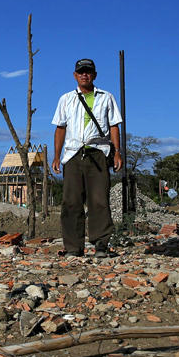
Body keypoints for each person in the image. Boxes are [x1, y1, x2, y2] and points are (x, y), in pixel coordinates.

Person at [51, 58, 123, 257]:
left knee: (99, 200)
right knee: (71, 202)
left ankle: (101, 244)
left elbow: (114, 125)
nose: (85, 75)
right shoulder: (65, 99)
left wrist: (117, 152)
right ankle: (73, 248)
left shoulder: (106, 97)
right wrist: (56, 156)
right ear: (75, 75)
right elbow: (60, 128)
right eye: (81, 72)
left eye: (88, 72)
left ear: (94, 75)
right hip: (73, 154)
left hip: (98, 153)